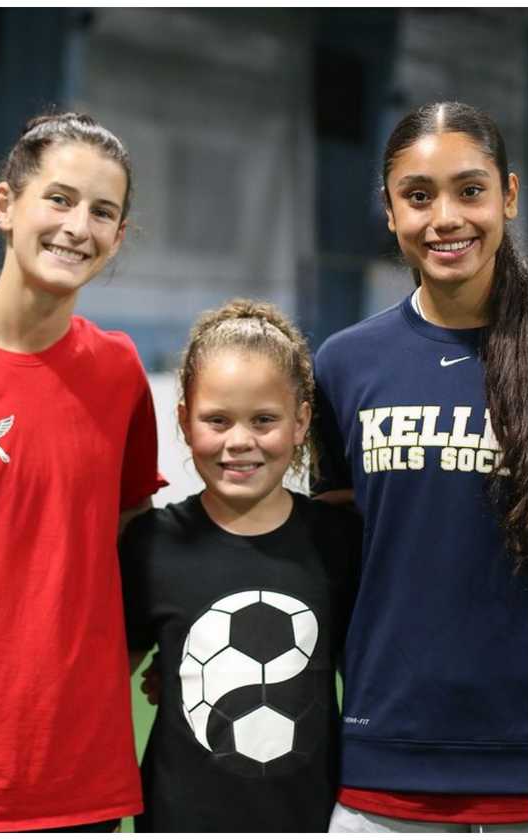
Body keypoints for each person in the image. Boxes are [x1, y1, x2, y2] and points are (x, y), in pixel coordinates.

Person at [313, 101, 528, 832]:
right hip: (382, 775)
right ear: (389, 210)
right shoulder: (344, 365)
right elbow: (330, 561)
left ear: (508, 195)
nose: (445, 218)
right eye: (418, 195)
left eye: (470, 191)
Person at [0, 112, 166, 832]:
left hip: (78, 768)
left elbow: (133, 530)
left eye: (102, 212)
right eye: (59, 199)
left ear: (117, 237)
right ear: (6, 205)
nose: (77, 227)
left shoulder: (119, 372)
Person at [119, 300, 360, 832]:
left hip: (309, 821)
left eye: (264, 420)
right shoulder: (153, 544)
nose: (240, 441)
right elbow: (106, 684)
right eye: (218, 420)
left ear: (300, 422)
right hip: (177, 820)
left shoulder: (339, 541)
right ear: (184, 421)